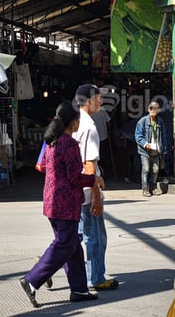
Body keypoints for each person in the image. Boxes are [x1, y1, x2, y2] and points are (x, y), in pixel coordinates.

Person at [20, 101, 102, 307]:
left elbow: (46, 167)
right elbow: (75, 178)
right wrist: (93, 180)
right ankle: (32, 280)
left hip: (52, 200)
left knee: (72, 245)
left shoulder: (52, 142)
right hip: (65, 203)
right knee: (65, 244)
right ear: (73, 122)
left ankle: (79, 289)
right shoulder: (69, 144)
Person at [74, 83, 119, 291]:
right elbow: (89, 165)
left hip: (74, 188)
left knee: (77, 235)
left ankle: (46, 264)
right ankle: (97, 278)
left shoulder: (72, 122)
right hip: (86, 189)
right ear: (89, 101)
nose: (101, 101)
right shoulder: (90, 127)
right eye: (99, 98)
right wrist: (97, 196)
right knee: (96, 236)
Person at [135, 100, 169, 196]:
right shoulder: (142, 121)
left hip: (156, 150)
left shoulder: (160, 122)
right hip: (145, 150)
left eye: (155, 108)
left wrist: (164, 150)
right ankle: (145, 189)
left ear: (158, 110)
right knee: (146, 169)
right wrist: (146, 144)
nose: (153, 110)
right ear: (148, 110)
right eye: (151, 108)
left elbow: (164, 136)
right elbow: (138, 135)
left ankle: (153, 188)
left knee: (155, 169)